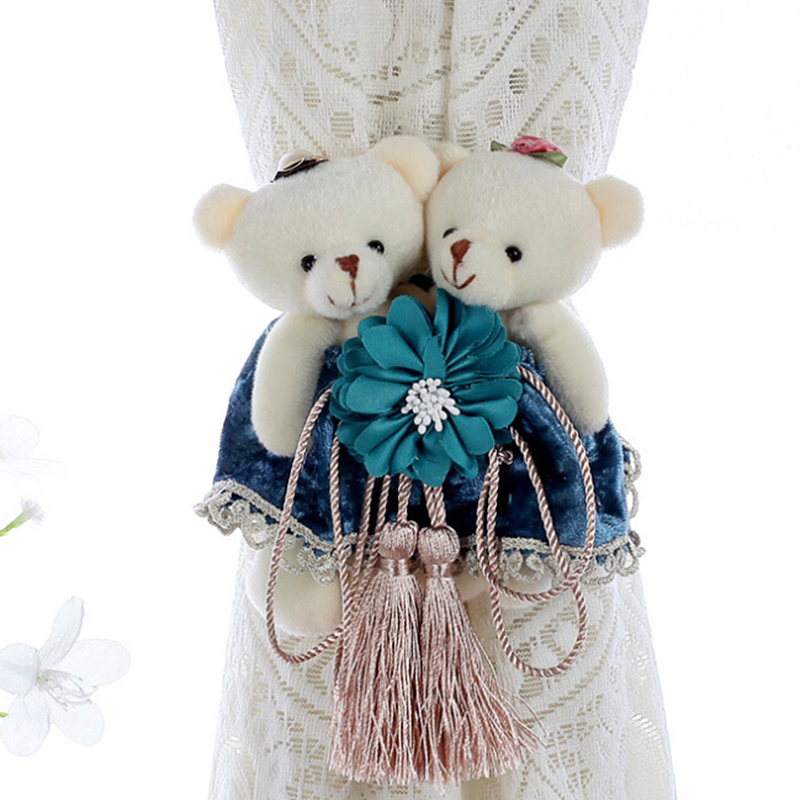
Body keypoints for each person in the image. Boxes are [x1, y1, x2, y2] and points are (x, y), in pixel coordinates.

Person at [205, 2, 676, 797]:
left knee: (527, 567)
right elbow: (278, 425)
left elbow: (586, 404)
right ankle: (337, 583)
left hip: (500, 463)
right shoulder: (315, 328)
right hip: (353, 464)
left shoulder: (526, 324)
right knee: (313, 579)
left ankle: (491, 587)